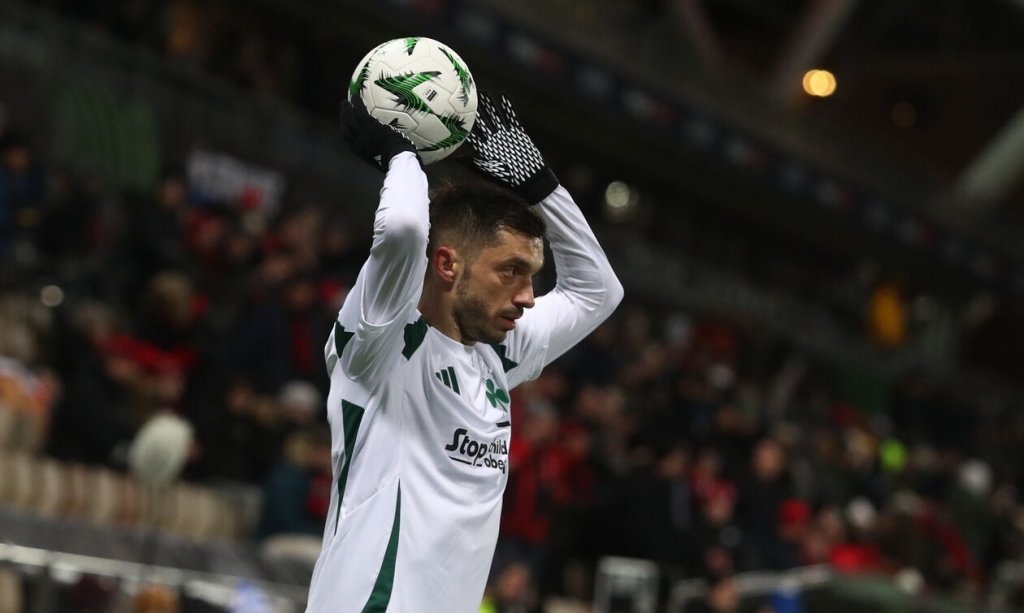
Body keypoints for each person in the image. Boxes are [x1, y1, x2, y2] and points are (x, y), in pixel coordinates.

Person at [304, 93, 623, 612]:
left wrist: (542, 188)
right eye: (511, 271)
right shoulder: (380, 343)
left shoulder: (498, 355)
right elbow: (405, 229)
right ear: (447, 265)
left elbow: (599, 291)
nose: (528, 296)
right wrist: (400, 154)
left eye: (532, 276)